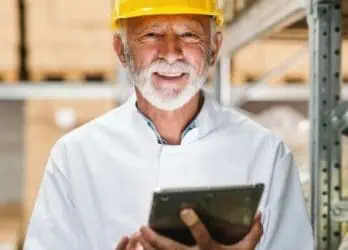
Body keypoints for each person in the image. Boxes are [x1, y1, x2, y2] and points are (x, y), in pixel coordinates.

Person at [23, 0, 314, 249]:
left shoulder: (265, 154)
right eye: (152, 34)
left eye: (189, 35)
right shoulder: (74, 158)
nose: (171, 52)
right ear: (120, 49)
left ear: (214, 47)